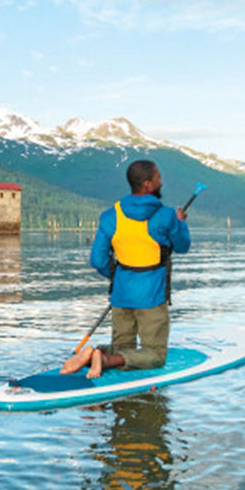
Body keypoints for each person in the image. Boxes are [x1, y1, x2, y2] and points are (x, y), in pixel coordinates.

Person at [62, 159, 190, 379]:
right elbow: (182, 246)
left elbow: (97, 259)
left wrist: (119, 277)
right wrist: (180, 223)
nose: (162, 180)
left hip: (121, 296)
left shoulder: (112, 215)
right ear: (148, 184)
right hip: (152, 298)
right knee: (155, 354)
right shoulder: (167, 215)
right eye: (158, 176)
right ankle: (103, 358)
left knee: (123, 347)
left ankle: (94, 352)